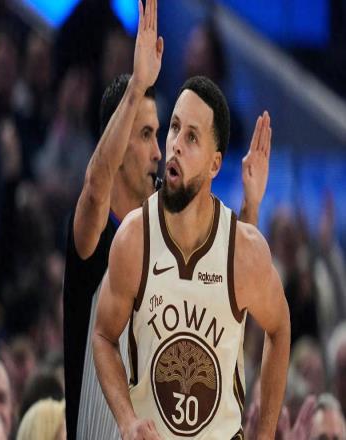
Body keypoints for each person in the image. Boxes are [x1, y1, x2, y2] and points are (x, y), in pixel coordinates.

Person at [63, 0, 272, 438]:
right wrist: (138, 84)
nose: (160, 151)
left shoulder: (169, 231)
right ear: (115, 141)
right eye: (146, 135)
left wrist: (251, 207)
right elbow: (96, 185)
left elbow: (232, 280)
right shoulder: (92, 235)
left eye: (161, 134)